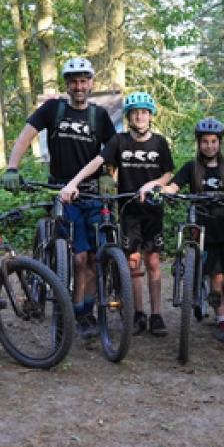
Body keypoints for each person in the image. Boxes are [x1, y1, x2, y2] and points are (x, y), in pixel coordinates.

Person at [2, 57, 116, 338]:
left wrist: (107, 177)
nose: (79, 86)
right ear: (67, 85)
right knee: (78, 258)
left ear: (91, 83)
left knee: (93, 258)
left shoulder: (99, 116)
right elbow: (24, 137)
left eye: (83, 81)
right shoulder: (53, 109)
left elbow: (112, 151)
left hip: (90, 193)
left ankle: (85, 310)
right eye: (74, 82)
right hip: (61, 192)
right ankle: (73, 307)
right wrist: (12, 167)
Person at [62, 92, 175, 337]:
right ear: (128, 116)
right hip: (128, 210)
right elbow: (97, 162)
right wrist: (74, 182)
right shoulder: (120, 141)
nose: (140, 116)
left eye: (144, 112)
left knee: (153, 262)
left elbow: (168, 174)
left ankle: (157, 315)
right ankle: (138, 313)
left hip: (153, 210)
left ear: (151, 116)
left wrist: (153, 184)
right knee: (133, 263)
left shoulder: (159, 142)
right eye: (135, 112)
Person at [164, 117, 224, 343]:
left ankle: (213, 299)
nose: (209, 146)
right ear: (199, 143)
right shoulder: (191, 168)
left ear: (220, 143)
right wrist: (166, 191)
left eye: (213, 141)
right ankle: (222, 318)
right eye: (205, 142)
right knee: (216, 276)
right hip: (203, 231)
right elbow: (174, 185)